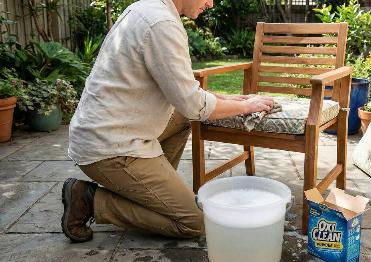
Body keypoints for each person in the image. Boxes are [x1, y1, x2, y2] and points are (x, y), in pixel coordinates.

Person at [62, 0, 274, 242]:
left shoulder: (146, 8)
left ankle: (151, 193)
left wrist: (232, 98)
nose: (211, 3)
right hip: (110, 148)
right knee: (193, 222)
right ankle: (90, 200)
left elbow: (182, 92)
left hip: (111, 128)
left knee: (182, 117)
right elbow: (193, 104)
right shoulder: (161, 23)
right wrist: (245, 107)